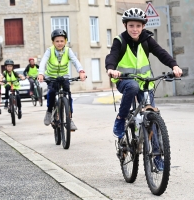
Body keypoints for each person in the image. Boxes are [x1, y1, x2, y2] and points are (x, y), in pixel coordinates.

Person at [105, 8, 183, 170]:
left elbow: (161, 53)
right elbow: (112, 55)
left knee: (152, 118)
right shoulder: (120, 41)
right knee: (132, 87)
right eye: (131, 25)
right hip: (125, 81)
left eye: (138, 26)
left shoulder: (147, 39)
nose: (135, 29)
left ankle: (157, 158)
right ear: (125, 25)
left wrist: (174, 65)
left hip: (145, 83)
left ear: (143, 26)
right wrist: (111, 68)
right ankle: (121, 119)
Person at [38, 29, 87, 131]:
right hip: (51, 77)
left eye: (62, 41)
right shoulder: (49, 51)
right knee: (51, 92)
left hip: (64, 76)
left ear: (65, 41)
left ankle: (70, 118)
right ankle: (49, 111)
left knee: (68, 95)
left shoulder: (68, 51)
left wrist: (81, 71)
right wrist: (41, 74)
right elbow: (43, 62)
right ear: (53, 42)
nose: (59, 43)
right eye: (57, 41)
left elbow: (75, 61)